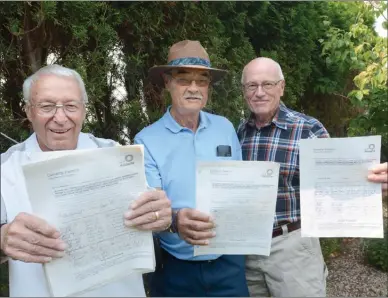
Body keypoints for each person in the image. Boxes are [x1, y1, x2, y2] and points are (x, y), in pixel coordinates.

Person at [0, 64, 172, 297]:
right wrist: (2, 239)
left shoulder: (115, 154)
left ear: (84, 110)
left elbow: (151, 213)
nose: (60, 118)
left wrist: (160, 215)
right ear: (29, 111)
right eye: (46, 106)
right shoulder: (6, 168)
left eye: (71, 106)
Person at [238, 57, 388, 297]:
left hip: (292, 246)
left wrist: (369, 185)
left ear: (282, 87)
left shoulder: (307, 129)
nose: (259, 92)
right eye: (251, 85)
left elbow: (338, 178)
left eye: (267, 84)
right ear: (244, 90)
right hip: (247, 249)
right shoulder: (239, 132)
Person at [134, 40, 249, 297]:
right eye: (184, 80)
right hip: (175, 269)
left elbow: (240, 186)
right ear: (167, 82)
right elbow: (149, 209)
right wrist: (175, 220)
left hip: (228, 261)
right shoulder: (146, 140)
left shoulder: (225, 127)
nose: (194, 88)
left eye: (202, 80)